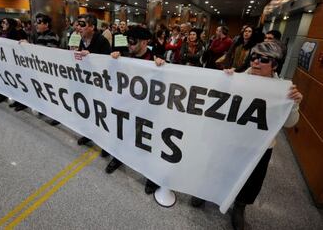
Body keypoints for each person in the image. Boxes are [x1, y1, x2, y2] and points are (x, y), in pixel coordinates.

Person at [190, 41, 303, 230]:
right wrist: (223, 81)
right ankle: (207, 191)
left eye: (263, 59)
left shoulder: (284, 90)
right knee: (217, 166)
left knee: (251, 179)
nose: (256, 62)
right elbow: (215, 102)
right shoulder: (237, 78)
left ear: (275, 64)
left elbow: (290, 123)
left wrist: (293, 104)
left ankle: (239, 206)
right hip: (230, 139)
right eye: (253, 57)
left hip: (259, 146)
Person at [107, 25, 164, 195]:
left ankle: (151, 176)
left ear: (145, 42)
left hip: (148, 111)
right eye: (128, 41)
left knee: (147, 142)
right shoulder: (124, 56)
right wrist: (112, 60)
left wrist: (163, 67)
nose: (129, 44)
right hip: (127, 106)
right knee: (122, 133)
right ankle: (118, 158)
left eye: (133, 41)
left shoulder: (155, 60)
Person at [75, 13, 112, 145]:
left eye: (82, 24)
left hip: (100, 86)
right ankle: (89, 134)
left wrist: (92, 57)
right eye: (77, 24)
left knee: (102, 114)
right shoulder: (81, 40)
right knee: (89, 111)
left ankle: (105, 142)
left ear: (92, 27)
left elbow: (109, 66)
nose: (78, 27)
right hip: (87, 83)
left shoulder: (102, 41)